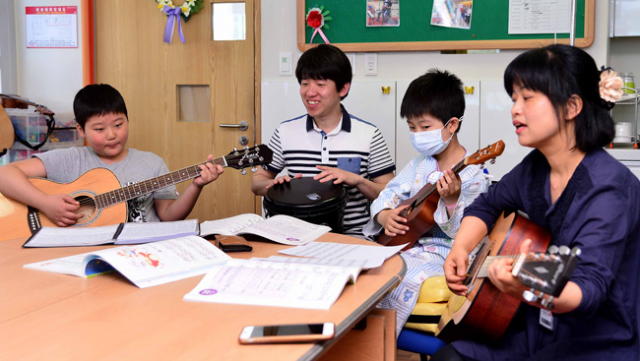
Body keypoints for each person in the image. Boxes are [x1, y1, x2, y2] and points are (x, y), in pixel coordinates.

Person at [437, 44, 640, 360]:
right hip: (540, 328)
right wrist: (460, 249)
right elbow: (488, 206)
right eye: (514, 99)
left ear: (571, 107)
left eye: (527, 98)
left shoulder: (608, 189)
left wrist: (527, 287)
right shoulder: (535, 167)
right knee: (451, 355)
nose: (515, 109)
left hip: (601, 341)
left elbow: (587, 292)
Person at [363, 69, 490, 335]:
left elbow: (471, 237)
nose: (417, 133)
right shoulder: (418, 165)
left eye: (425, 127)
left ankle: (380, 340)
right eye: (411, 127)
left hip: (446, 253)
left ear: (452, 125)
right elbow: (388, 194)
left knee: (397, 276)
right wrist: (385, 215)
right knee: (362, 264)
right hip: (409, 244)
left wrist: (453, 202)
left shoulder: (474, 174)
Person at [0, 84, 223, 226]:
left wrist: (197, 186)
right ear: (80, 130)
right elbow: (5, 174)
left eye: (119, 124)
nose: (111, 135)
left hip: (144, 250)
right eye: (99, 129)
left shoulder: (151, 163)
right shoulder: (69, 159)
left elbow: (168, 216)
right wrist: (45, 202)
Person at [251, 44, 395, 239]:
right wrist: (274, 184)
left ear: (343, 88)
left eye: (320, 84)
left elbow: (391, 194)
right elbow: (257, 182)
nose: (310, 92)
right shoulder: (284, 132)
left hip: (353, 237)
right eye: (304, 83)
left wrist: (358, 181)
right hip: (296, 236)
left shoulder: (369, 135)